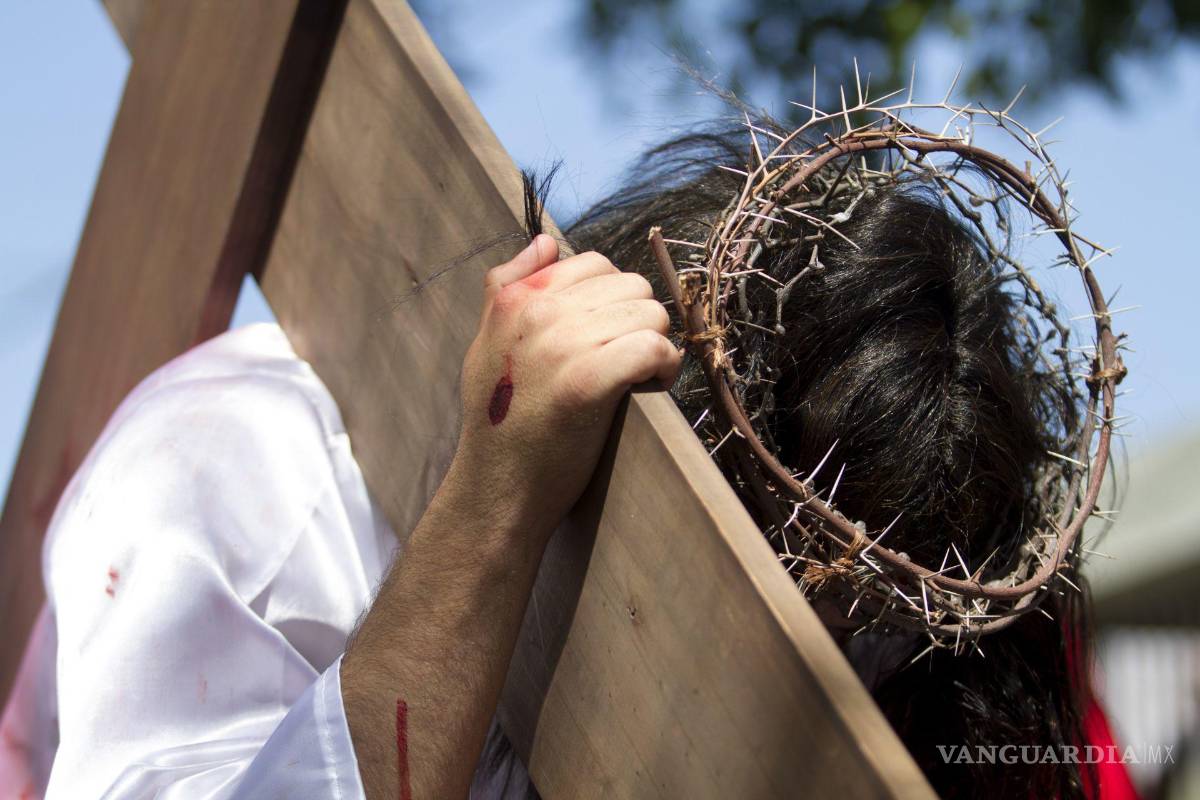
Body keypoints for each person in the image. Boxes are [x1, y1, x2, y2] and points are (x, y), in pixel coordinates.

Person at [0, 123, 1134, 799]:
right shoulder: (242, 468)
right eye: (791, 558)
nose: (827, 631)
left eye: (866, 617)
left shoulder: (899, 633)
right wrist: (494, 508)